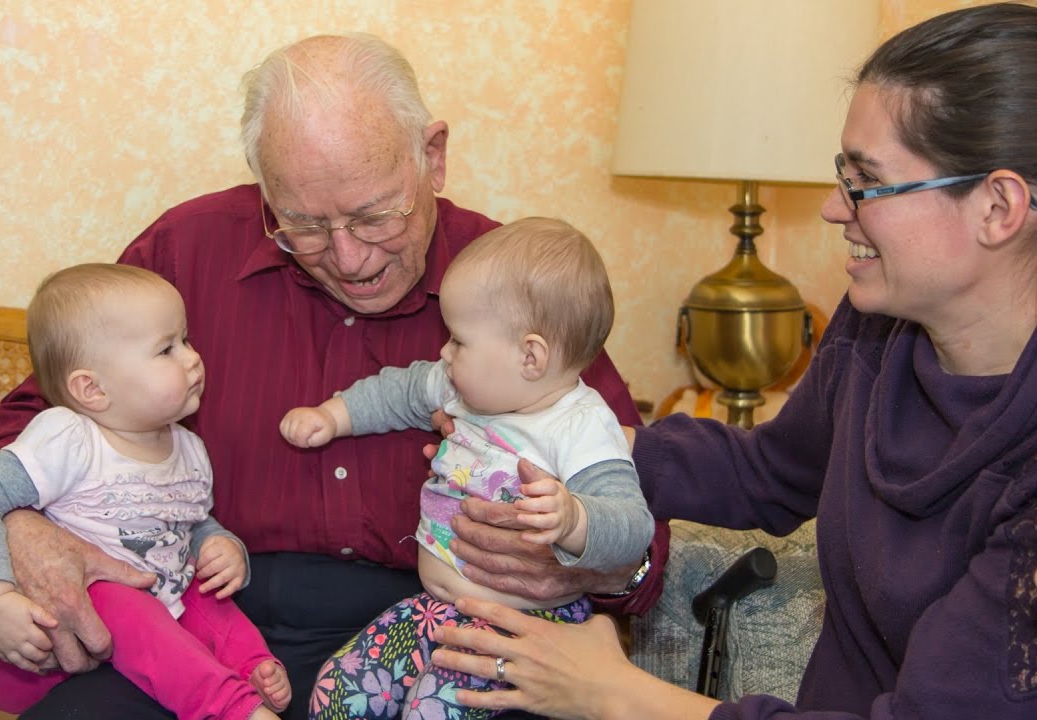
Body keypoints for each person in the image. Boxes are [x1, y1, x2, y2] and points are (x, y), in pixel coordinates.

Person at [0, 33, 670, 720]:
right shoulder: (185, 249)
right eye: (300, 223)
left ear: (434, 156)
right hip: (197, 618)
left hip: (436, 626)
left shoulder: (514, 286)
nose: (349, 257)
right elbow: (26, 423)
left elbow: (638, 514)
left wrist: (592, 564)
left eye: (374, 216)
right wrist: (20, 525)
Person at [429, 4, 1037, 720]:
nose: (833, 211)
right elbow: (771, 474)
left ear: (998, 207)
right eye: (840, 174)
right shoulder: (876, 333)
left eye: (867, 183)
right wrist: (570, 446)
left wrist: (613, 692)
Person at [280, 218, 653, 719]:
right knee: (338, 689)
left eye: (458, 341)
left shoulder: (581, 427)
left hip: (524, 625)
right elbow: (401, 391)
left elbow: (632, 525)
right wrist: (332, 416)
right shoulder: (466, 387)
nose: (443, 352)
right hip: (433, 607)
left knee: (433, 711)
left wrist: (575, 520)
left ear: (530, 356)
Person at [0, 264, 290, 719]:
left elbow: (185, 521)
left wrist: (219, 543)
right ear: (92, 389)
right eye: (166, 350)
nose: (193, 358)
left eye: (187, 340)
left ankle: (252, 668)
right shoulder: (68, 438)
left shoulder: (188, 446)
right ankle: (229, 707)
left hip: (143, 629)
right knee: (120, 597)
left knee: (206, 589)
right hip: (38, 644)